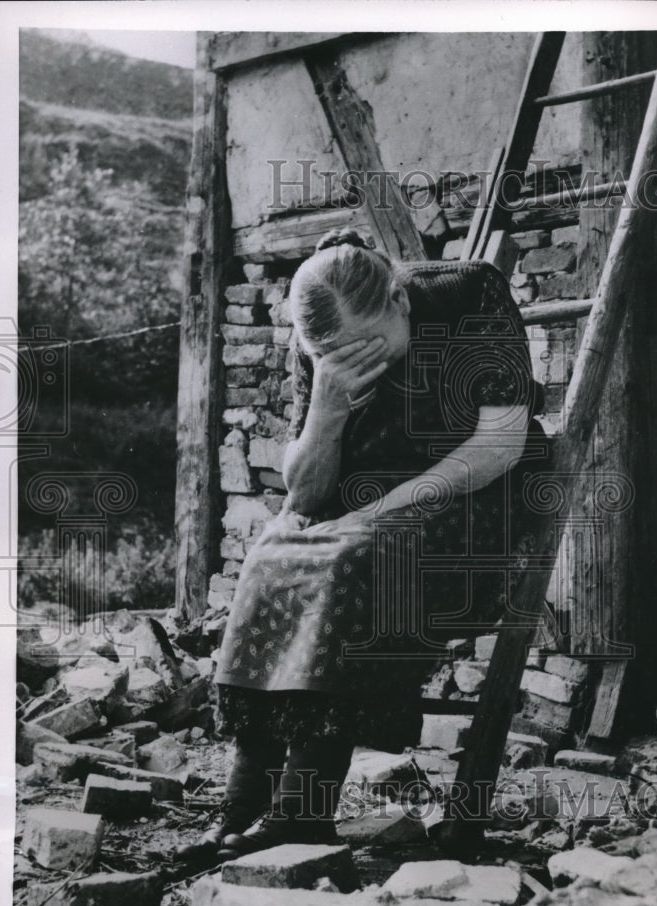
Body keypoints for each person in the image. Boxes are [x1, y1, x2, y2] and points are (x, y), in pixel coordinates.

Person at [173, 228, 551, 869]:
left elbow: (499, 444)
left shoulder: (470, 295)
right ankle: (237, 814)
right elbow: (305, 489)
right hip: (356, 511)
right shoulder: (319, 342)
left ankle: (302, 817)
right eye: (339, 357)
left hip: (471, 499)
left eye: (371, 349)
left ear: (401, 300)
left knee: (352, 558)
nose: (363, 366)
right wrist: (326, 401)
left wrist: (374, 511)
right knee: (269, 555)